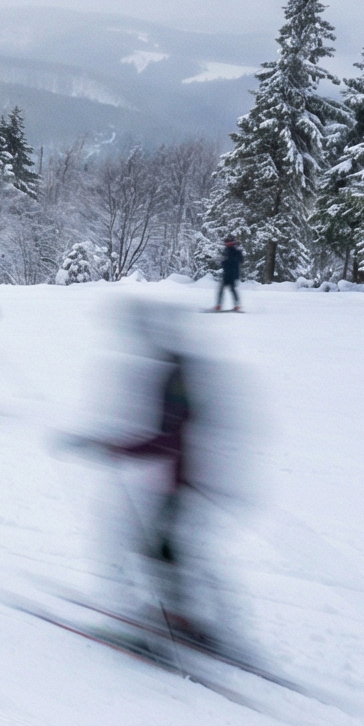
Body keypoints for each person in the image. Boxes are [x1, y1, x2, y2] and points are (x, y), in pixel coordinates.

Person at [87, 301, 220, 652]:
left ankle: (174, 622)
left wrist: (119, 449)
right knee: (165, 548)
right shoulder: (182, 369)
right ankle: (182, 618)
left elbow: (168, 438)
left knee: (157, 548)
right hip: (189, 475)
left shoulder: (175, 376)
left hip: (182, 477)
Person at [214, 236, 244, 313]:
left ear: (232, 242)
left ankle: (235, 305)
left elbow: (239, 260)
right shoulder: (226, 250)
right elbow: (225, 260)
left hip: (232, 273)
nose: (228, 244)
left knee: (231, 289)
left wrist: (225, 262)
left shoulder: (235, 250)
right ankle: (220, 305)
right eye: (227, 242)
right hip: (227, 273)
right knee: (225, 289)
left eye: (229, 242)